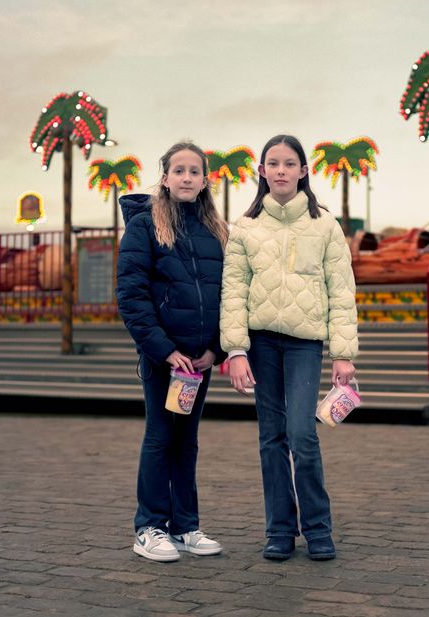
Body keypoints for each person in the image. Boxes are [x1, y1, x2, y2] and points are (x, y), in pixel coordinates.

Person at [221, 134, 358, 561]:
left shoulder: (325, 226)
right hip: (260, 343)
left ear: (303, 171)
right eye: (273, 163)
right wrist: (236, 351)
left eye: (289, 163)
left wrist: (344, 352)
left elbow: (342, 289)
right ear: (261, 172)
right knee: (271, 437)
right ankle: (279, 530)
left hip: (304, 345)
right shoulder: (245, 227)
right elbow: (233, 290)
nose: (281, 170)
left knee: (302, 434)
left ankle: (318, 528)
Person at [116, 141, 228, 563]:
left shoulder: (216, 230)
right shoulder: (145, 227)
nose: (186, 177)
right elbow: (131, 296)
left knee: (187, 440)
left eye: (194, 171)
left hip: (199, 362)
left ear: (204, 180)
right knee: (161, 437)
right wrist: (164, 351)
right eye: (178, 170)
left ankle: (185, 526)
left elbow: (229, 293)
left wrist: (215, 350)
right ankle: (149, 527)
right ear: (164, 178)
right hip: (165, 359)